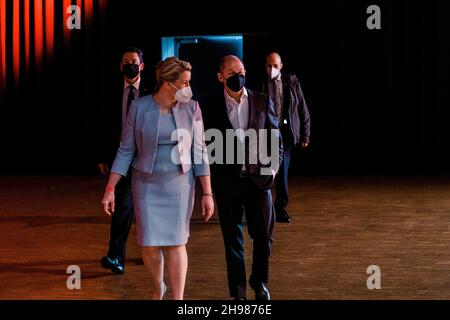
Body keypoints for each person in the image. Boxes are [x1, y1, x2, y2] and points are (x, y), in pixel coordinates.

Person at [100, 57, 214, 300]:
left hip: (181, 184)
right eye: (184, 83)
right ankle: (157, 287)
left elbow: (200, 151)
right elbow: (125, 150)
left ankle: (178, 298)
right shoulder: (139, 108)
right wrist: (111, 188)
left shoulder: (192, 108)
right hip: (146, 185)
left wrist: (207, 192)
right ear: (167, 83)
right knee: (150, 244)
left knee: (176, 243)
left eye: (188, 83)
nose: (188, 89)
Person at [203, 55, 283, 300]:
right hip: (228, 184)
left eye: (241, 71)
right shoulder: (209, 106)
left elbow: (275, 138)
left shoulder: (261, 100)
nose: (238, 77)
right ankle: (238, 294)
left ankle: (260, 283)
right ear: (220, 77)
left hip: (259, 181)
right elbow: (205, 145)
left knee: (263, 238)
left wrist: (273, 168)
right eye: (231, 74)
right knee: (233, 242)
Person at [97, 47, 149, 273]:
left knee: (147, 209)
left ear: (142, 65)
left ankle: (152, 254)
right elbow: (101, 125)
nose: (130, 64)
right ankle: (116, 256)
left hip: (149, 159)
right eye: (126, 61)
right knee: (123, 208)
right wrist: (102, 156)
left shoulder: (152, 91)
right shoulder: (109, 92)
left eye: (134, 61)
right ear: (120, 66)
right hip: (122, 158)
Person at [262, 52, 311, 223]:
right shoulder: (260, 84)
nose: (272, 69)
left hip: (285, 132)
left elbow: (302, 108)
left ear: (281, 66)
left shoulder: (291, 82)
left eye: (275, 65)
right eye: (269, 65)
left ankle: (280, 208)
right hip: (265, 132)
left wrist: (305, 134)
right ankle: (262, 208)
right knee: (264, 171)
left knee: (282, 172)